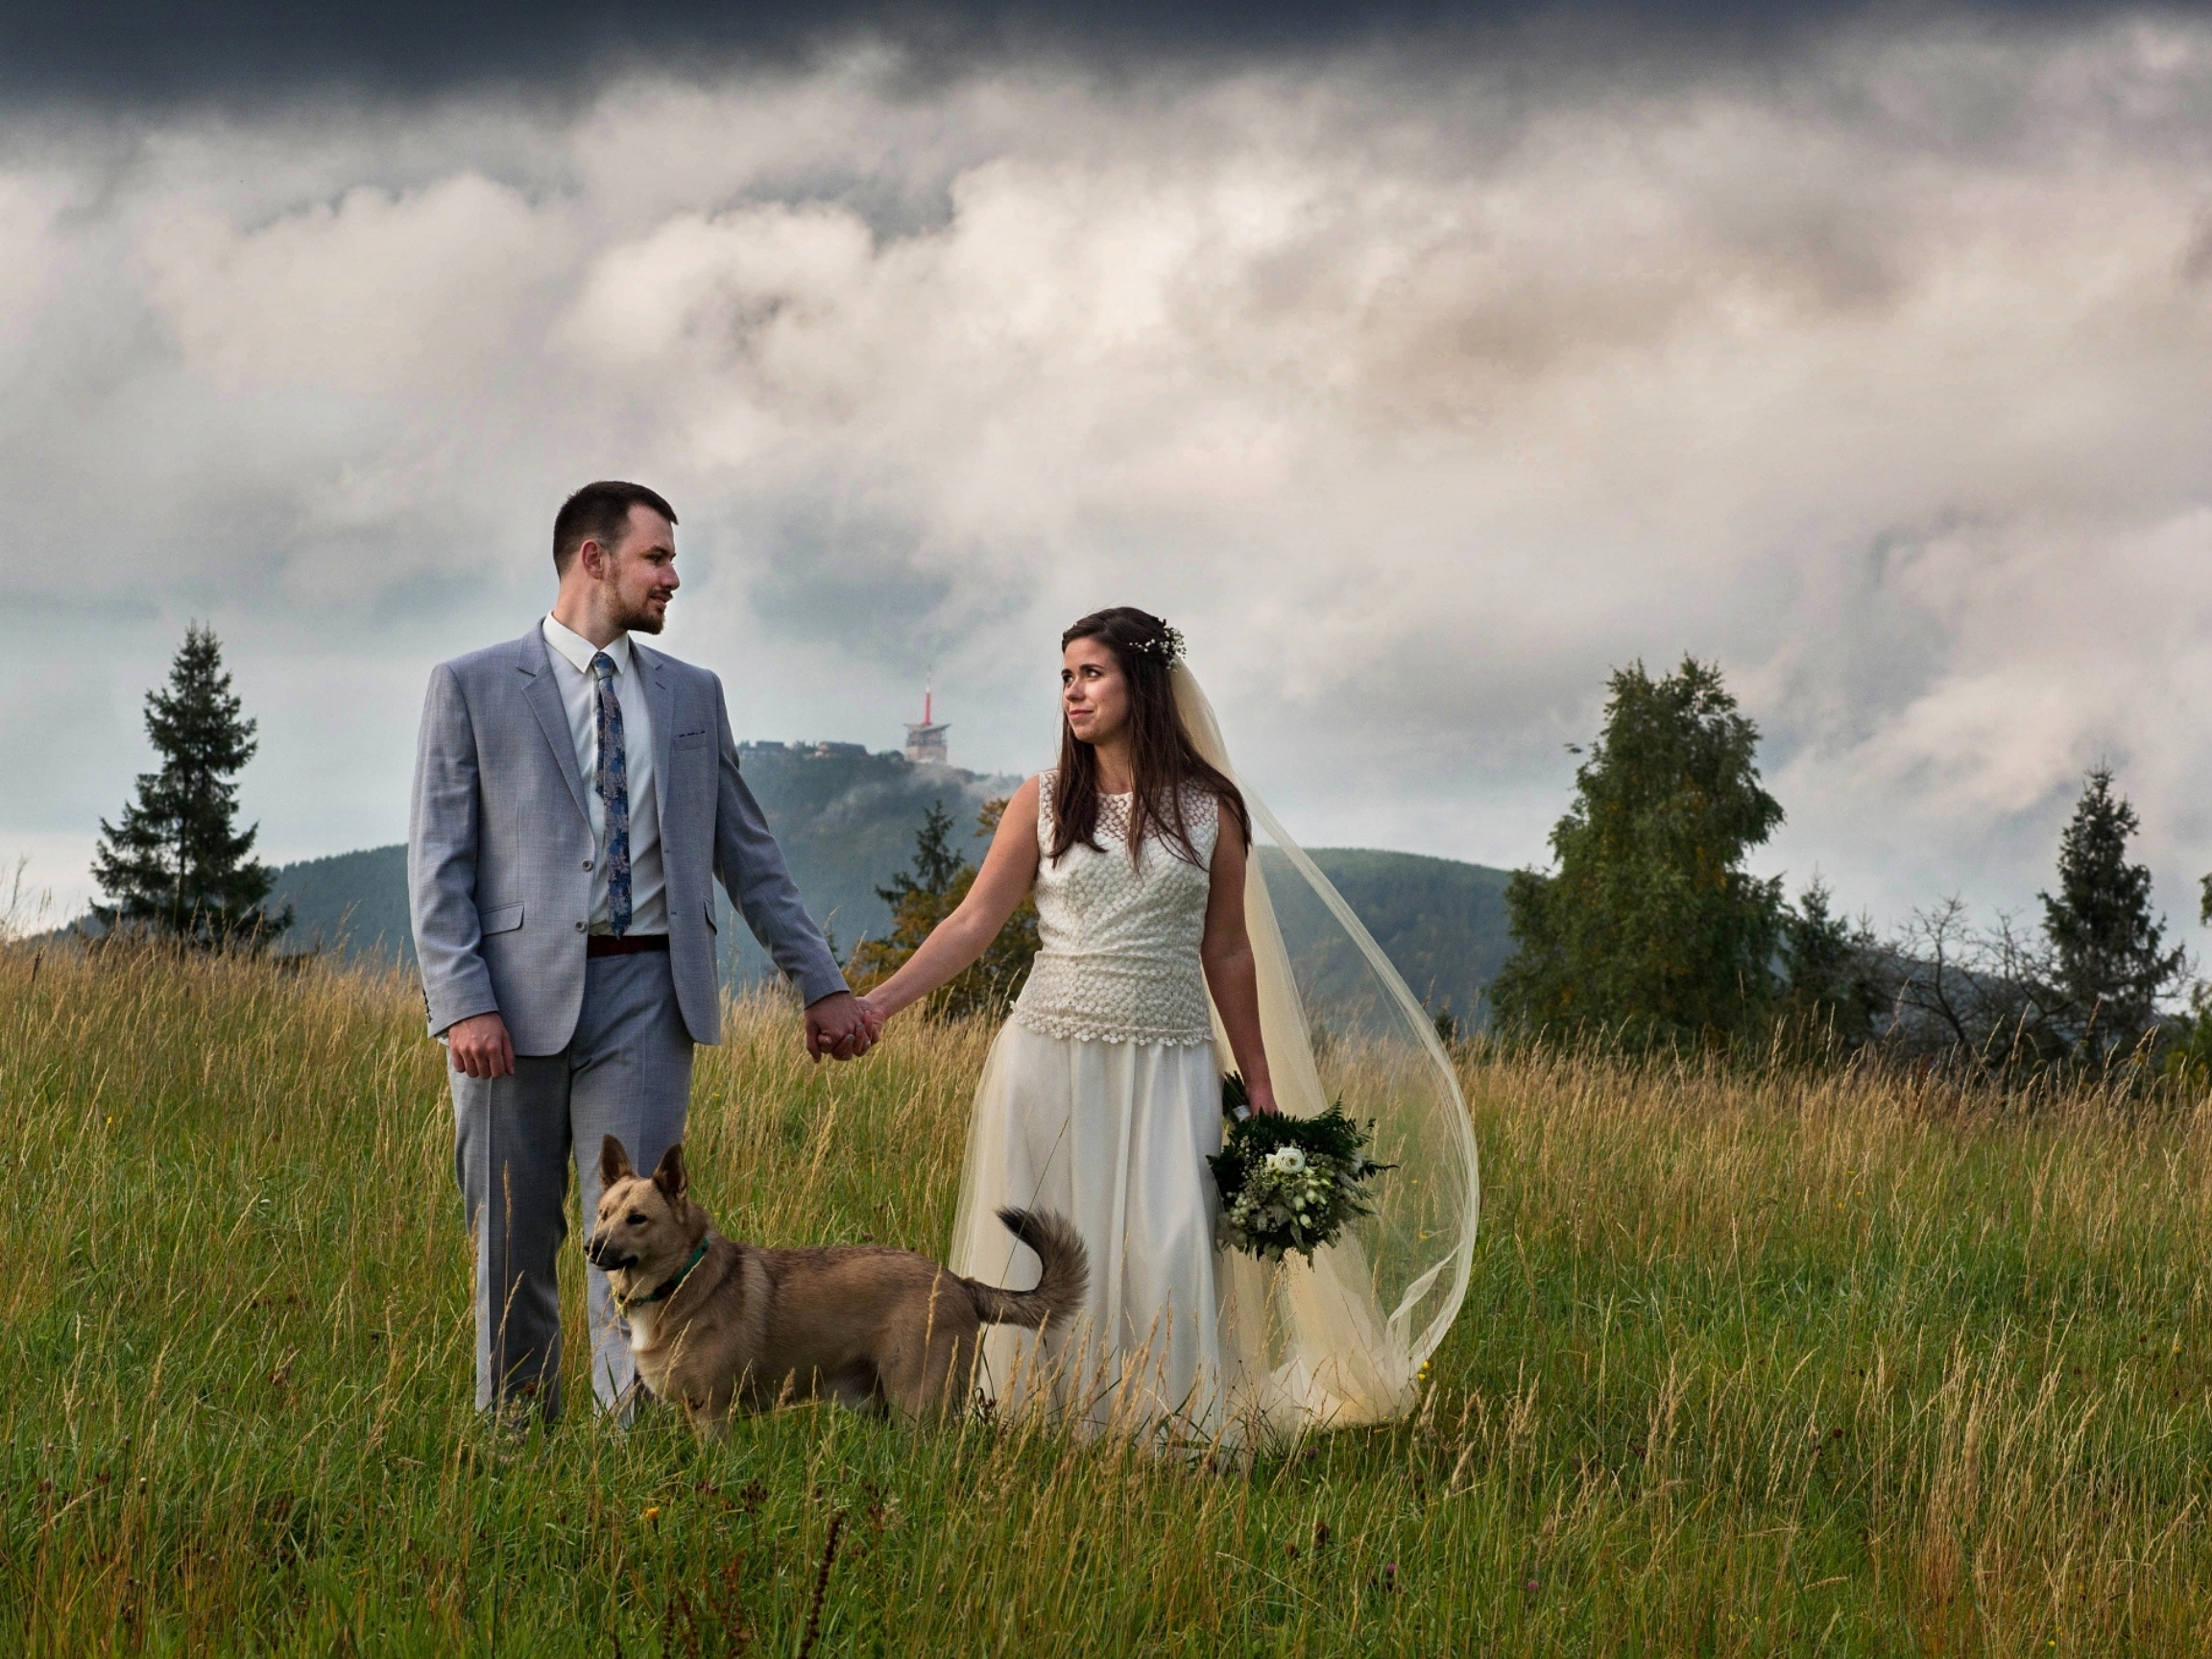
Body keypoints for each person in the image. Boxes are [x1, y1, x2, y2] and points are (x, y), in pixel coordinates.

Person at [855, 607, 1477, 1443]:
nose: (1073, 692)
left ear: (1141, 684)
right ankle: (1040, 1423)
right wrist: (878, 1004)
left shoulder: (1211, 809)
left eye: (1092, 673)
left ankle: (1164, 1426)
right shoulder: (1042, 802)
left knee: (1166, 1242)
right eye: (1066, 676)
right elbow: (972, 925)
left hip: (1169, 1057)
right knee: (1047, 1241)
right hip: (1048, 1054)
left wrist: (1259, 1083)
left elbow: (1228, 951)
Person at [409, 480, 874, 1426]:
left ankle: (636, 1471)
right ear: (594, 558)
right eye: (657, 558)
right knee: (512, 1245)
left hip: (651, 997)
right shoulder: (473, 685)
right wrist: (462, 1001)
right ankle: (520, 1454)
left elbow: (747, 852)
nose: (673, 578)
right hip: (506, 1004)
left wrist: (819, 984)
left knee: (644, 1243)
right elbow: (439, 856)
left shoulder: (692, 695)